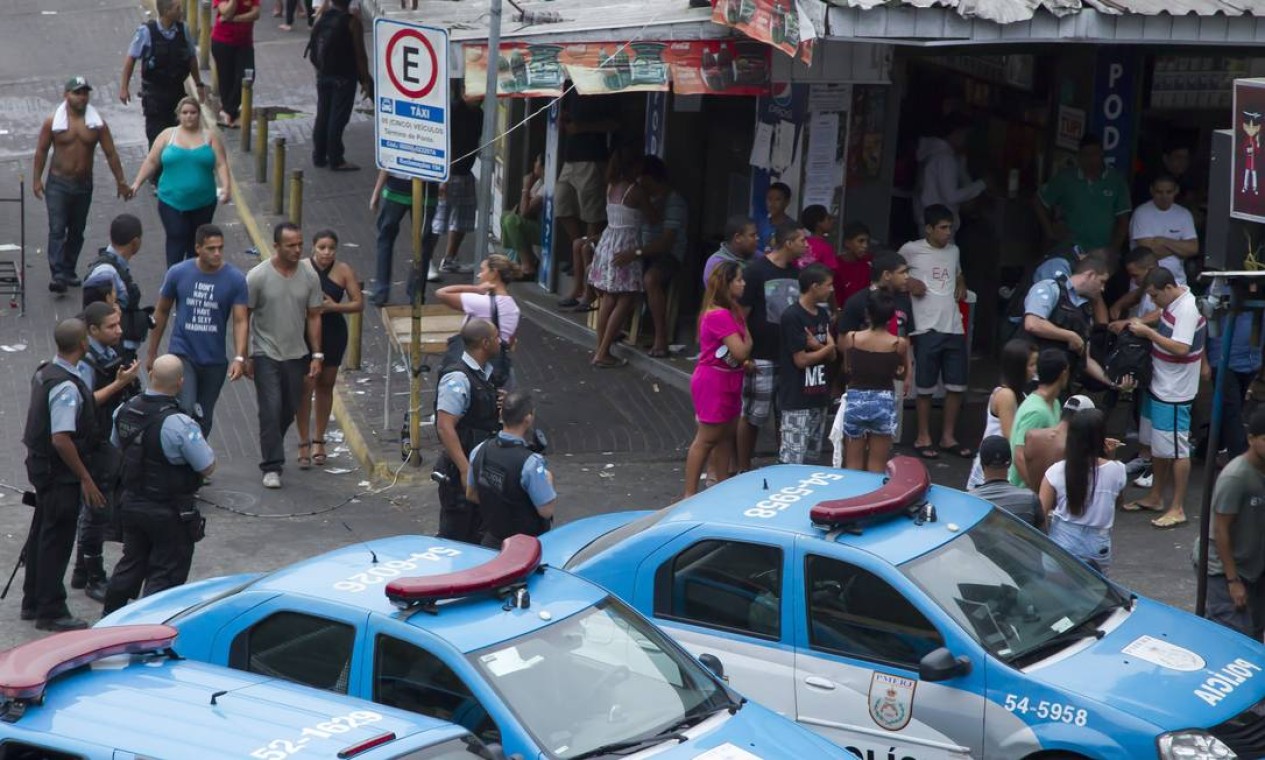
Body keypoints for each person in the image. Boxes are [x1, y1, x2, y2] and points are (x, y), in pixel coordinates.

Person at [102, 355, 215, 615]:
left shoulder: (125, 409)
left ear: (151, 375)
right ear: (181, 383)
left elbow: (116, 445)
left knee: (130, 564)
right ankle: (148, 628)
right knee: (165, 573)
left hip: (131, 503)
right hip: (169, 511)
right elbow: (207, 465)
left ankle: (108, 622)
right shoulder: (180, 423)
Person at [20, 319, 104, 631]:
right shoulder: (67, 386)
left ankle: (33, 601)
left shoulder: (45, 372)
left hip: (41, 469)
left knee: (42, 534)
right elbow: (61, 437)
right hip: (60, 475)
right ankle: (51, 609)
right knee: (56, 541)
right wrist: (84, 476)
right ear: (83, 344)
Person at [148, 224, 250, 438]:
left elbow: (241, 320)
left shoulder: (235, 279)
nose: (217, 253)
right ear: (197, 248)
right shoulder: (178, 273)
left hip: (214, 360)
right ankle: (179, 459)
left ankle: (196, 461)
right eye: (211, 248)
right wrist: (152, 352)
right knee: (185, 408)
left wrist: (240, 357)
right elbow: (162, 311)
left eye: (220, 248)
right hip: (183, 354)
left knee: (204, 415)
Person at [1125, 267, 1208, 529]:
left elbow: (1182, 348)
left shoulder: (1187, 308)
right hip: (1159, 382)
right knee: (1159, 446)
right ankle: (1156, 496)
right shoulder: (1175, 301)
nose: (1152, 300)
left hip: (1174, 390)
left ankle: (1177, 507)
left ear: (1169, 288)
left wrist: (1148, 333)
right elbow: (1164, 317)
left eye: (1154, 295)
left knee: (1176, 449)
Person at [33, 76, 132, 293]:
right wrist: (36, 180)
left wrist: (121, 181)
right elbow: (41, 150)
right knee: (57, 229)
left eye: (85, 93)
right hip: (58, 183)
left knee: (77, 230)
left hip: (83, 185)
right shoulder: (53, 122)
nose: (82, 97)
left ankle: (69, 269)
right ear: (66, 95)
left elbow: (111, 153)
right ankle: (58, 274)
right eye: (77, 93)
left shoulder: (97, 125)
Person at [70, 302, 141, 602]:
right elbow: (85, 403)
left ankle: (81, 570)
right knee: (95, 510)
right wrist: (119, 384)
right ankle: (94, 575)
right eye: (112, 326)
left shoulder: (110, 352)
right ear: (93, 330)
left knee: (97, 509)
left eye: (119, 324)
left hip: (105, 444)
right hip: (90, 446)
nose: (119, 330)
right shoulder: (86, 363)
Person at [247, 222, 324, 488]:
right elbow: (242, 316)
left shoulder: (310, 276)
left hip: (297, 354)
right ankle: (272, 465)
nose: (297, 249)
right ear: (276, 246)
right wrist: (244, 355)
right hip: (265, 353)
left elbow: (314, 316)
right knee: (270, 407)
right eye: (290, 245)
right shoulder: (257, 277)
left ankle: (272, 442)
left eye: (300, 244)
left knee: (289, 407)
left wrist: (317, 354)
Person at [130, 97, 231, 268]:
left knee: (197, 243)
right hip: (171, 201)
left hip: (203, 202)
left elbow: (221, 164)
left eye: (193, 113)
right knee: (177, 235)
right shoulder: (167, 135)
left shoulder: (210, 137)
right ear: (178, 115)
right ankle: (173, 276)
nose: (189, 116)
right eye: (185, 113)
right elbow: (152, 161)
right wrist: (136, 183)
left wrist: (227, 187)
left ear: (199, 115)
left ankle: (192, 277)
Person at [903, 204, 970, 459]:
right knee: (925, 387)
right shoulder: (911, 249)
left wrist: (962, 283)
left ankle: (948, 437)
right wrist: (909, 282)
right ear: (929, 229)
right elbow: (888, 272)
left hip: (953, 325)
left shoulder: (954, 251)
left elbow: (959, 274)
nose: (948, 233)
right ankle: (923, 437)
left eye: (950, 227)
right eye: (942, 228)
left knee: (956, 385)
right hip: (925, 326)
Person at [737, 221, 805, 472]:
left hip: (789, 355)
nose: (806, 246)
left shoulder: (797, 273)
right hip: (761, 355)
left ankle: (783, 468)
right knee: (754, 414)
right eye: (802, 241)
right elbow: (741, 315)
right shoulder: (756, 271)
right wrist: (745, 354)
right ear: (788, 243)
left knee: (786, 415)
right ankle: (743, 467)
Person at [296, 230, 362, 468]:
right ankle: (303, 441)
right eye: (322, 247)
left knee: (326, 384)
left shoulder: (343, 270)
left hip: (333, 333)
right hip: (303, 334)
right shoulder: (301, 267)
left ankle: (319, 440)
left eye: (331, 248)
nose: (326, 253)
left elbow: (358, 303)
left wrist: (335, 307)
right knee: (305, 386)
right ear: (313, 248)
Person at [683, 261, 750, 498]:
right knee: (707, 438)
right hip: (715, 382)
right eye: (739, 279)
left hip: (731, 379)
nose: (743, 284)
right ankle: (689, 494)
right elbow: (742, 351)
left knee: (725, 437)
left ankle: (720, 489)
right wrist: (745, 340)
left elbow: (744, 349)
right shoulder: (719, 315)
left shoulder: (732, 311)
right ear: (727, 284)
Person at [1200, 407, 1265, 639]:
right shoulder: (1236, 477)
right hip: (1225, 567)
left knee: (1256, 633)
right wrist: (1232, 581)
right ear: (1251, 439)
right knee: (1233, 634)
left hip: (1254, 565)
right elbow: (1221, 530)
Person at [434, 319, 502, 542]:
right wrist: (465, 469)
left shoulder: (483, 374)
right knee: (457, 537)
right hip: (461, 474)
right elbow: (445, 426)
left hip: (482, 467)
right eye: (496, 337)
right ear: (485, 343)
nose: (500, 342)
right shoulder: (458, 378)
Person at [1040, 409, 1126, 574]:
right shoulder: (1118, 470)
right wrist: (1111, 456)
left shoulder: (1056, 471)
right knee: (1096, 593)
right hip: (1097, 543)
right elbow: (1117, 501)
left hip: (1062, 538)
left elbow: (1040, 513)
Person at [466, 391, 557, 548]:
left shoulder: (480, 450)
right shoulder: (530, 463)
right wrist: (548, 480)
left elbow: (471, 494)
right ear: (528, 419)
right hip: (524, 549)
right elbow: (546, 511)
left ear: (501, 414)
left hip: (491, 542)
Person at [588, 149, 648, 369]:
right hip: (626, 246)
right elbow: (653, 217)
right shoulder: (636, 190)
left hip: (608, 242)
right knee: (626, 297)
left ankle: (600, 349)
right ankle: (603, 353)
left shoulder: (611, 187)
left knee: (608, 297)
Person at [1020, 255, 1119, 388]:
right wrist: (1070, 336)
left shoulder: (1085, 309)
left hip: (1061, 383)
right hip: (1034, 379)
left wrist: (1112, 382)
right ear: (1090, 275)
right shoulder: (1049, 288)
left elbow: (1085, 358)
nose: (1102, 289)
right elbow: (1032, 323)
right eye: (1102, 282)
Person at [118, 0, 205, 149]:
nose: (181, 11)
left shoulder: (183, 30)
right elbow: (131, 59)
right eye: (177, 8)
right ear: (167, 12)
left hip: (177, 94)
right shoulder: (146, 32)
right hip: (155, 97)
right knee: (157, 142)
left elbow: (191, 59)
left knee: (180, 140)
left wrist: (198, 84)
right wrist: (124, 87)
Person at [1035, 133, 1131, 261]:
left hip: (1101, 253)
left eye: (1094, 154)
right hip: (1069, 250)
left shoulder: (1116, 181)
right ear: (1079, 156)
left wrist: (1113, 250)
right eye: (1086, 155)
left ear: (1102, 154)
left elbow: (1123, 222)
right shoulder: (1065, 178)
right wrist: (1050, 232)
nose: (1090, 159)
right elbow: (1038, 201)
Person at [840, 292, 906, 472]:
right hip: (883, 402)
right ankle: (874, 498)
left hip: (856, 400)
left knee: (852, 464)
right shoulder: (898, 343)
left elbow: (847, 369)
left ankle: (853, 496)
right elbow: (902, 373)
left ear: (867, 313)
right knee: (877, 465)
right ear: (890, 316)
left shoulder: (852, 338)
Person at [778, 264, 835, 465]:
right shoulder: (792, 316)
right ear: (814, 286)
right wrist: (827, 348)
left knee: (812, 458)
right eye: (828, 285)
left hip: (818, 396)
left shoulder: (822, 314)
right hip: (797, 399)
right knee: (793, 458)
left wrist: (820, 346)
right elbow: (801, 360)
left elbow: (833, 356)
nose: (831, 289)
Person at [555, 90, 618, 273]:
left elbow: (614, 123)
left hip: (592, 157)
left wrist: (582, 127)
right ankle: (580, 248)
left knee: (592, 213)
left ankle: (587, 260)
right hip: (570, 157)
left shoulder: (602, 91)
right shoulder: (571, 89)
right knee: (562, 205)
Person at [308, 0, 372, 172]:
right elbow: (360, 55)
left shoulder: (322, 17)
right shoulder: (352, 22)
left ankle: (319, 156)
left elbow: (314, 47)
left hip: (323, 75)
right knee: (338, 118)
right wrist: (365, 79)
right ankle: (336, 159)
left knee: (323, 115)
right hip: (344, 78)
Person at [966, 339, 1036, 489]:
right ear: (1018, 367)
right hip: (994, 468)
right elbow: (1010, 437)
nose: (1034, 370)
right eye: (1031, 365)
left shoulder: (1021, 395)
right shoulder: (1006, 395)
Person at [638, 156, 688, 358]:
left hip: (667, 256)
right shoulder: (645, 199)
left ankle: (660, 338)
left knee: (651, 279)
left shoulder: (674, 201)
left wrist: (636, 253)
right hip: (644, 252)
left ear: (649, 178)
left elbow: (666, 243)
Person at [83, 214, 149, 361]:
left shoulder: (117, 266)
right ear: (135, 242)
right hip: (113, 352)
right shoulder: (106, 271)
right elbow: (95, 312)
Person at [369, 170, 440, 306]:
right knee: (423, 244)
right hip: (427, 190)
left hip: (397, 187)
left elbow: (387, 160)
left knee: (386, 238)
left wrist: (376, 192)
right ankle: (416, 295)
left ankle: (380, 292)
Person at [432, 93, 482, 276]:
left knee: (463, 217)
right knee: (438, 219)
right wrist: (443, 176)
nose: (481, 97)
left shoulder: (479, 113)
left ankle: (450, 259)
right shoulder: (453, 110)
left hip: (465, 171)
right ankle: (426, 260)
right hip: (448, 172)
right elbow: (444, 141)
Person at [1008, 350, 1070, 488]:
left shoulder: (1054, 403)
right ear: (1063, 373)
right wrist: (1039, 492)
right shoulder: (1037, 412)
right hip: (1025, 493)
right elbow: (1019, 456)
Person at [913, 114, 985, 230]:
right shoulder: (945, 158)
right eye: (965, 135)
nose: (966, 140)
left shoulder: (932, 154)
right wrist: (981, 185)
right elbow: (951, 196)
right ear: (956, 133)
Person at [1130, 174, 1199, 286]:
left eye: (1169, 192)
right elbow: (1146, 254)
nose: (1164, 196)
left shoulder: (1184, 214)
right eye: (1159, 192)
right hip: (1146, 283)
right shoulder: (1141, 213)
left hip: (1177, 282)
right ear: (1152, 191)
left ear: (1176, 190)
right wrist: (1179, 248)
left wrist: (1163, 241)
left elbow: (1193, 248)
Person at [435, 254, 522, 344]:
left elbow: (441, 293)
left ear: (494, 273)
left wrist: (476, 289)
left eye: (482, 270)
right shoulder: (513, 307)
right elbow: (511, 341)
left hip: (474, 356)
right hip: (498, 355)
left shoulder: (482, 303)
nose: (479, 275)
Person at [1019, 394, 1097, 493]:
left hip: (1034, 499)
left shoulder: (1031, 436)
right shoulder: (1074, 447)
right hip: (1060, 505)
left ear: (1062, 412)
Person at [971, 436, 1042, 528]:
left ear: (981, 463)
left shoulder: (969, 500)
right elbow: (1043, 538)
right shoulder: (1030, 499)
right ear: (1010, 462)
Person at [211, 0, 259, 129]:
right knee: (226, 78)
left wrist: (235, 19)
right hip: (223, 41)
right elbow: (226, 12)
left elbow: (255, 14)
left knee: (248, 75)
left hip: (245, 43)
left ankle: (227, 111)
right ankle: (230, 114)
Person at [500, 155, 545, 279]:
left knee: (511, 222)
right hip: (535, 223)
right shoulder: (539, 182)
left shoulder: (546, 186)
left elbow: (525, 212)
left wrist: (525, 188)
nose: (534, 164)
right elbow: (521, 209)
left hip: (547, 231)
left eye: (537, 161)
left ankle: (527, 267)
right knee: (506, 216)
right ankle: (515, 260)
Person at [702, 214, 758, 287]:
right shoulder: (717, 263)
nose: (757, 238)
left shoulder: (757, 256)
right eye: (752, 235)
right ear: (737, 238)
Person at [834, 221, 873, 306]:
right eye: (861, 241)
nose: (865, 246)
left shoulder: (870, 262)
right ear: (847, 243)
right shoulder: (836, 265)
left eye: (867, 242)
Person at [755, 182, 793, 253]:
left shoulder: (793, 227)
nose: (772, 203)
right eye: (769, 199)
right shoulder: (760, 225)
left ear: (787, 202)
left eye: (777, 199)